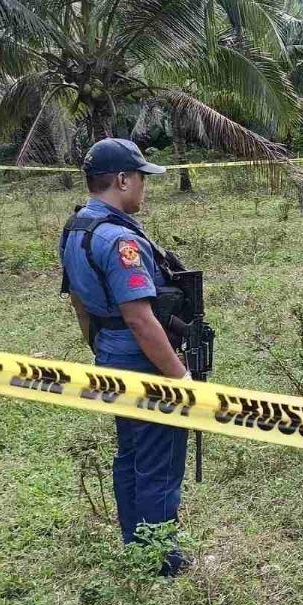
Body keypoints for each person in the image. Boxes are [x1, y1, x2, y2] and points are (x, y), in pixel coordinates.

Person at [59, 138, 193, 575]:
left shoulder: (76, 228)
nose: (143, 189)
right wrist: (179, 376)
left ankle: (136, 545)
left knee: (131, 453)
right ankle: (160, 560)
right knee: (158, 457)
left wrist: (97, 348)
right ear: (121, 180)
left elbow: (79, 302)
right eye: (140, 179)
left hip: (110, 354)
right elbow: (140, 318)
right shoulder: (120, 241)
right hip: (142, 360)